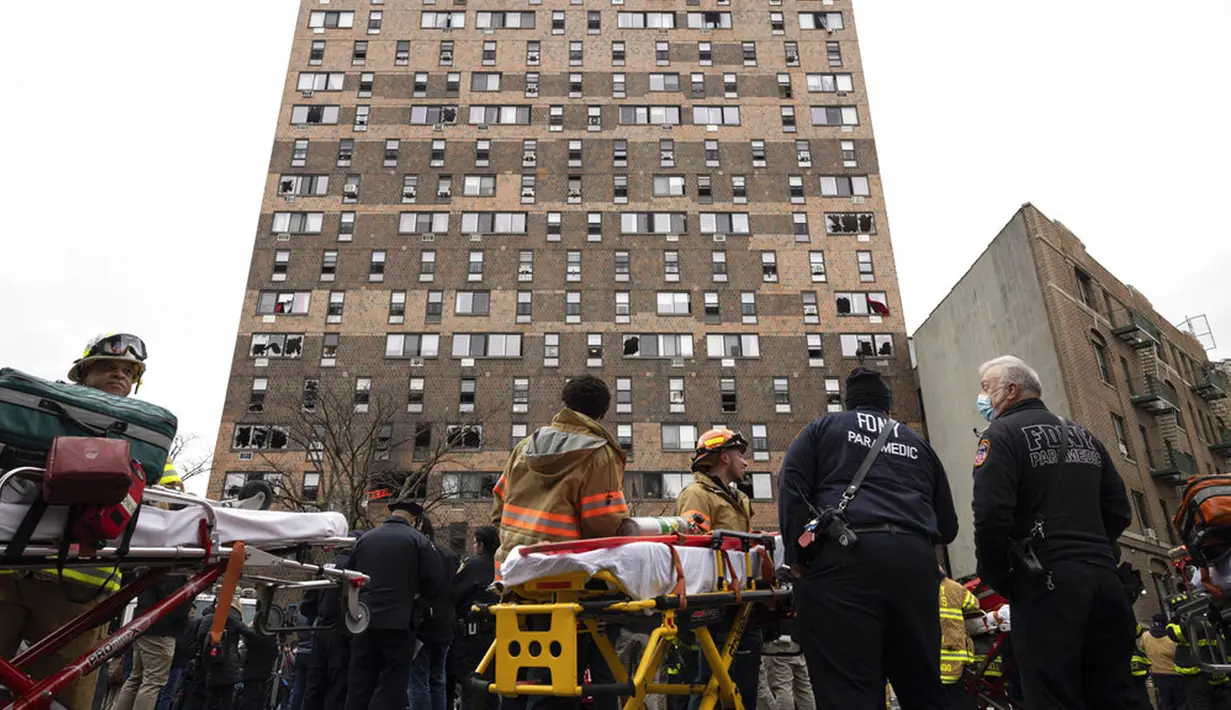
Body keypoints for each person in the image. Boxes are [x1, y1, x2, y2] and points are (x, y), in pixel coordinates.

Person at [779, 366, 958, 710]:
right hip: (915, 565)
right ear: (887, 406)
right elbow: (948, 526)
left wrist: (799, 558)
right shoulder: (918, 444)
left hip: (846, 562)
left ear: (849, 403)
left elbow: (792, 490)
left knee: (850, 689)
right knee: (922, 684)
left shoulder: (821, 430)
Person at [971, 355, 1144, 709]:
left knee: (1052, 693)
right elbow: (1119, 510)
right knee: (1117, 692)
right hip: (1105, 582)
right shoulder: (1084, 435)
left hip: (1047, 584)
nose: (982, 397)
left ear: (1011, 390)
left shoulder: (999, 436)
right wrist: (1095, 549)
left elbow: (990, 514)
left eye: (987, 388)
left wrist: (997, 574)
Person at [0, 333, 148, 710]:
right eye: (109, 366)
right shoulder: (39, 414)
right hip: (9, 574)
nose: (120, 375)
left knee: (65, 698)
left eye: (128, 371)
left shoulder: (146, 438)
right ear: (83, 373)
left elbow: (168, 498)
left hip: (78, 592)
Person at [489, 375, 628, 710]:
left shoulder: (525, 447)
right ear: (602, 414)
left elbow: (498, 508)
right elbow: (602, 525)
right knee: (585, 677)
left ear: (564, 404)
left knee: (523, 674)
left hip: (518, 579)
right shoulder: (599, 453)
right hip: (572, 585)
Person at [676, 429, 762, 710]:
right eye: (740, 454)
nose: (745, 462)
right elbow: (694, 549)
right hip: (714, 604)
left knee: (745, 685)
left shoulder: (740, 499)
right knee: (711, 682)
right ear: (724, 456)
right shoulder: (697, 495)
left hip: (743, 600)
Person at [344, 499, 444, 710]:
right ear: (415, 520)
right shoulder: (419, 541)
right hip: (399, 623)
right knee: (392, 685)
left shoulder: (365, 540)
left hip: (364, 620)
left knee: (359, 683)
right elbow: (435, 582)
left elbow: (349, 577)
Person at [113, 464, 192, 710]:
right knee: (153, 682)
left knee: (136, 678)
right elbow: (172, 595)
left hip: (145, 623)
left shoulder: (151, 547)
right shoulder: (169, 550)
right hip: (161, 628)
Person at [301, 532, 362, 710]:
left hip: (321, 630)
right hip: (342, 631)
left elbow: (307, 604)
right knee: (338, 685)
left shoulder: (326, 567)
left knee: (315, 684)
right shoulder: (356, 568)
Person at [449, 526, 500, 710]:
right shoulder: (504, 564)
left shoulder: (473, 566)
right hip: (501, 635)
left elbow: (454, 594)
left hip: (473, 637)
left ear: (481, 545)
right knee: (494, 688)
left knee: (472, 687)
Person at [410, 516, 458, 710]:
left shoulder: (418, 553)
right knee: (438, 680)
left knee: (417, 680)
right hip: (445, 625)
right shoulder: (450, 555)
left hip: (423, 626)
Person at [185, 597, 257, 710]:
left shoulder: (207, 619)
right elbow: (252, 635)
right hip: (229, 669)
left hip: (209, 666)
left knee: (208, 698)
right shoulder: (235, 621)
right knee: (226, 701)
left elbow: (196, 639)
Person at [939, 569, 980, 710]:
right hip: (955, 655)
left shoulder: (919, 591)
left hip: (934, 657)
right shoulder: (954, 587)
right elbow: (974, 604)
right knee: (959, 695)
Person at [237, 607, 279, 710]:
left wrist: (251, 626)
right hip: (264, 675)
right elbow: (275, 653)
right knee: (260, 702)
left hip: (252, 675)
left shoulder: (256, 637)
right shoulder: (272, 637)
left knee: (250, 702)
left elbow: (246, 639)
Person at [1142, 613, 1186, 710]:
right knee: (1181, 703)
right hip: (1176, 674)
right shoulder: (1172, 638)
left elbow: (1143, 649)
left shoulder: (1145, 636)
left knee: (1165, 704)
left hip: (1158, 674)